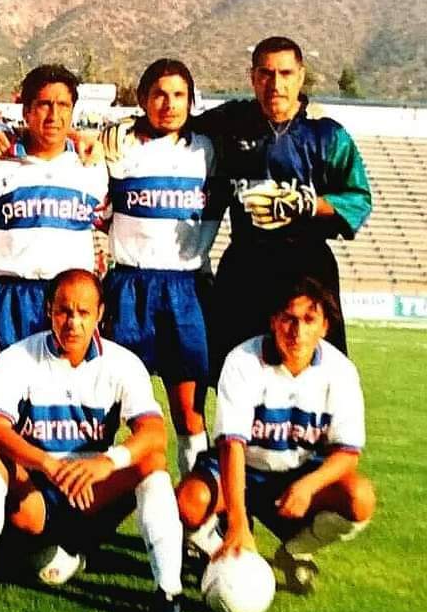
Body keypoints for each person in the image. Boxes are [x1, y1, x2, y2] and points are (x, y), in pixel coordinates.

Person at [103, 36, 371, 380]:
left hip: (308, 266)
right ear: (253, 77)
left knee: (317, 375)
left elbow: (359, 198)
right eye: (266, 73)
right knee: (235, 373)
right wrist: (128, 124)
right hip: (247, 265)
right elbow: (176, 121)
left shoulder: (328, 136)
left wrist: (307, 204)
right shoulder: (230, 122)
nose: (276, 84)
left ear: (301, 76)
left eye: (286, 73)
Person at [0, 269, 183, 612]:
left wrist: (108, 461)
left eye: (83, 312)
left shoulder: (122, 362)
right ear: (48, 310)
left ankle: (169, 593)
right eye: (64, 311)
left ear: (100, 314)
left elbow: (154, 433)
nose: (73, 322)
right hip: (36, 492)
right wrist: (47, 464)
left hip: (92, 490)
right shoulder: (17, 357)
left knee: (151, 462)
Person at [176, 276, 374, 595]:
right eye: (288, 319)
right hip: (244, 470)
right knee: (188, 502)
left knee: (360, 498)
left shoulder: (340, 371)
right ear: (273, 321)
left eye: (309, 320)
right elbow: (232, 445)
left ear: (325, 327)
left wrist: (308, 486)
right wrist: (239, 521)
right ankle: (225, 559)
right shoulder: (243, 360)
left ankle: (295, 552)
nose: (298, 332)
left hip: (299, 474)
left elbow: (348, 453)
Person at [101, 59, 220, 475]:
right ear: (142, 99)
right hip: (128, 288)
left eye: (179, 95)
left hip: (187, 290)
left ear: (192, 100)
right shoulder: (118, 147)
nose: (169, 104)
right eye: (159, 94)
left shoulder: (207, 150)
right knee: (108, 413)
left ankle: (197, 521)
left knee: (189, 413)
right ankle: (89, 515)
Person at [0, 64, 108, 394]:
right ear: (26, 110)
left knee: (66, 397)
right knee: (1, 399)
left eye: (63, 106)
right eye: (44, 104)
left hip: (67, 300)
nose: (53, 115)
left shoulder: (91, 165)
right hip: (8, 296)